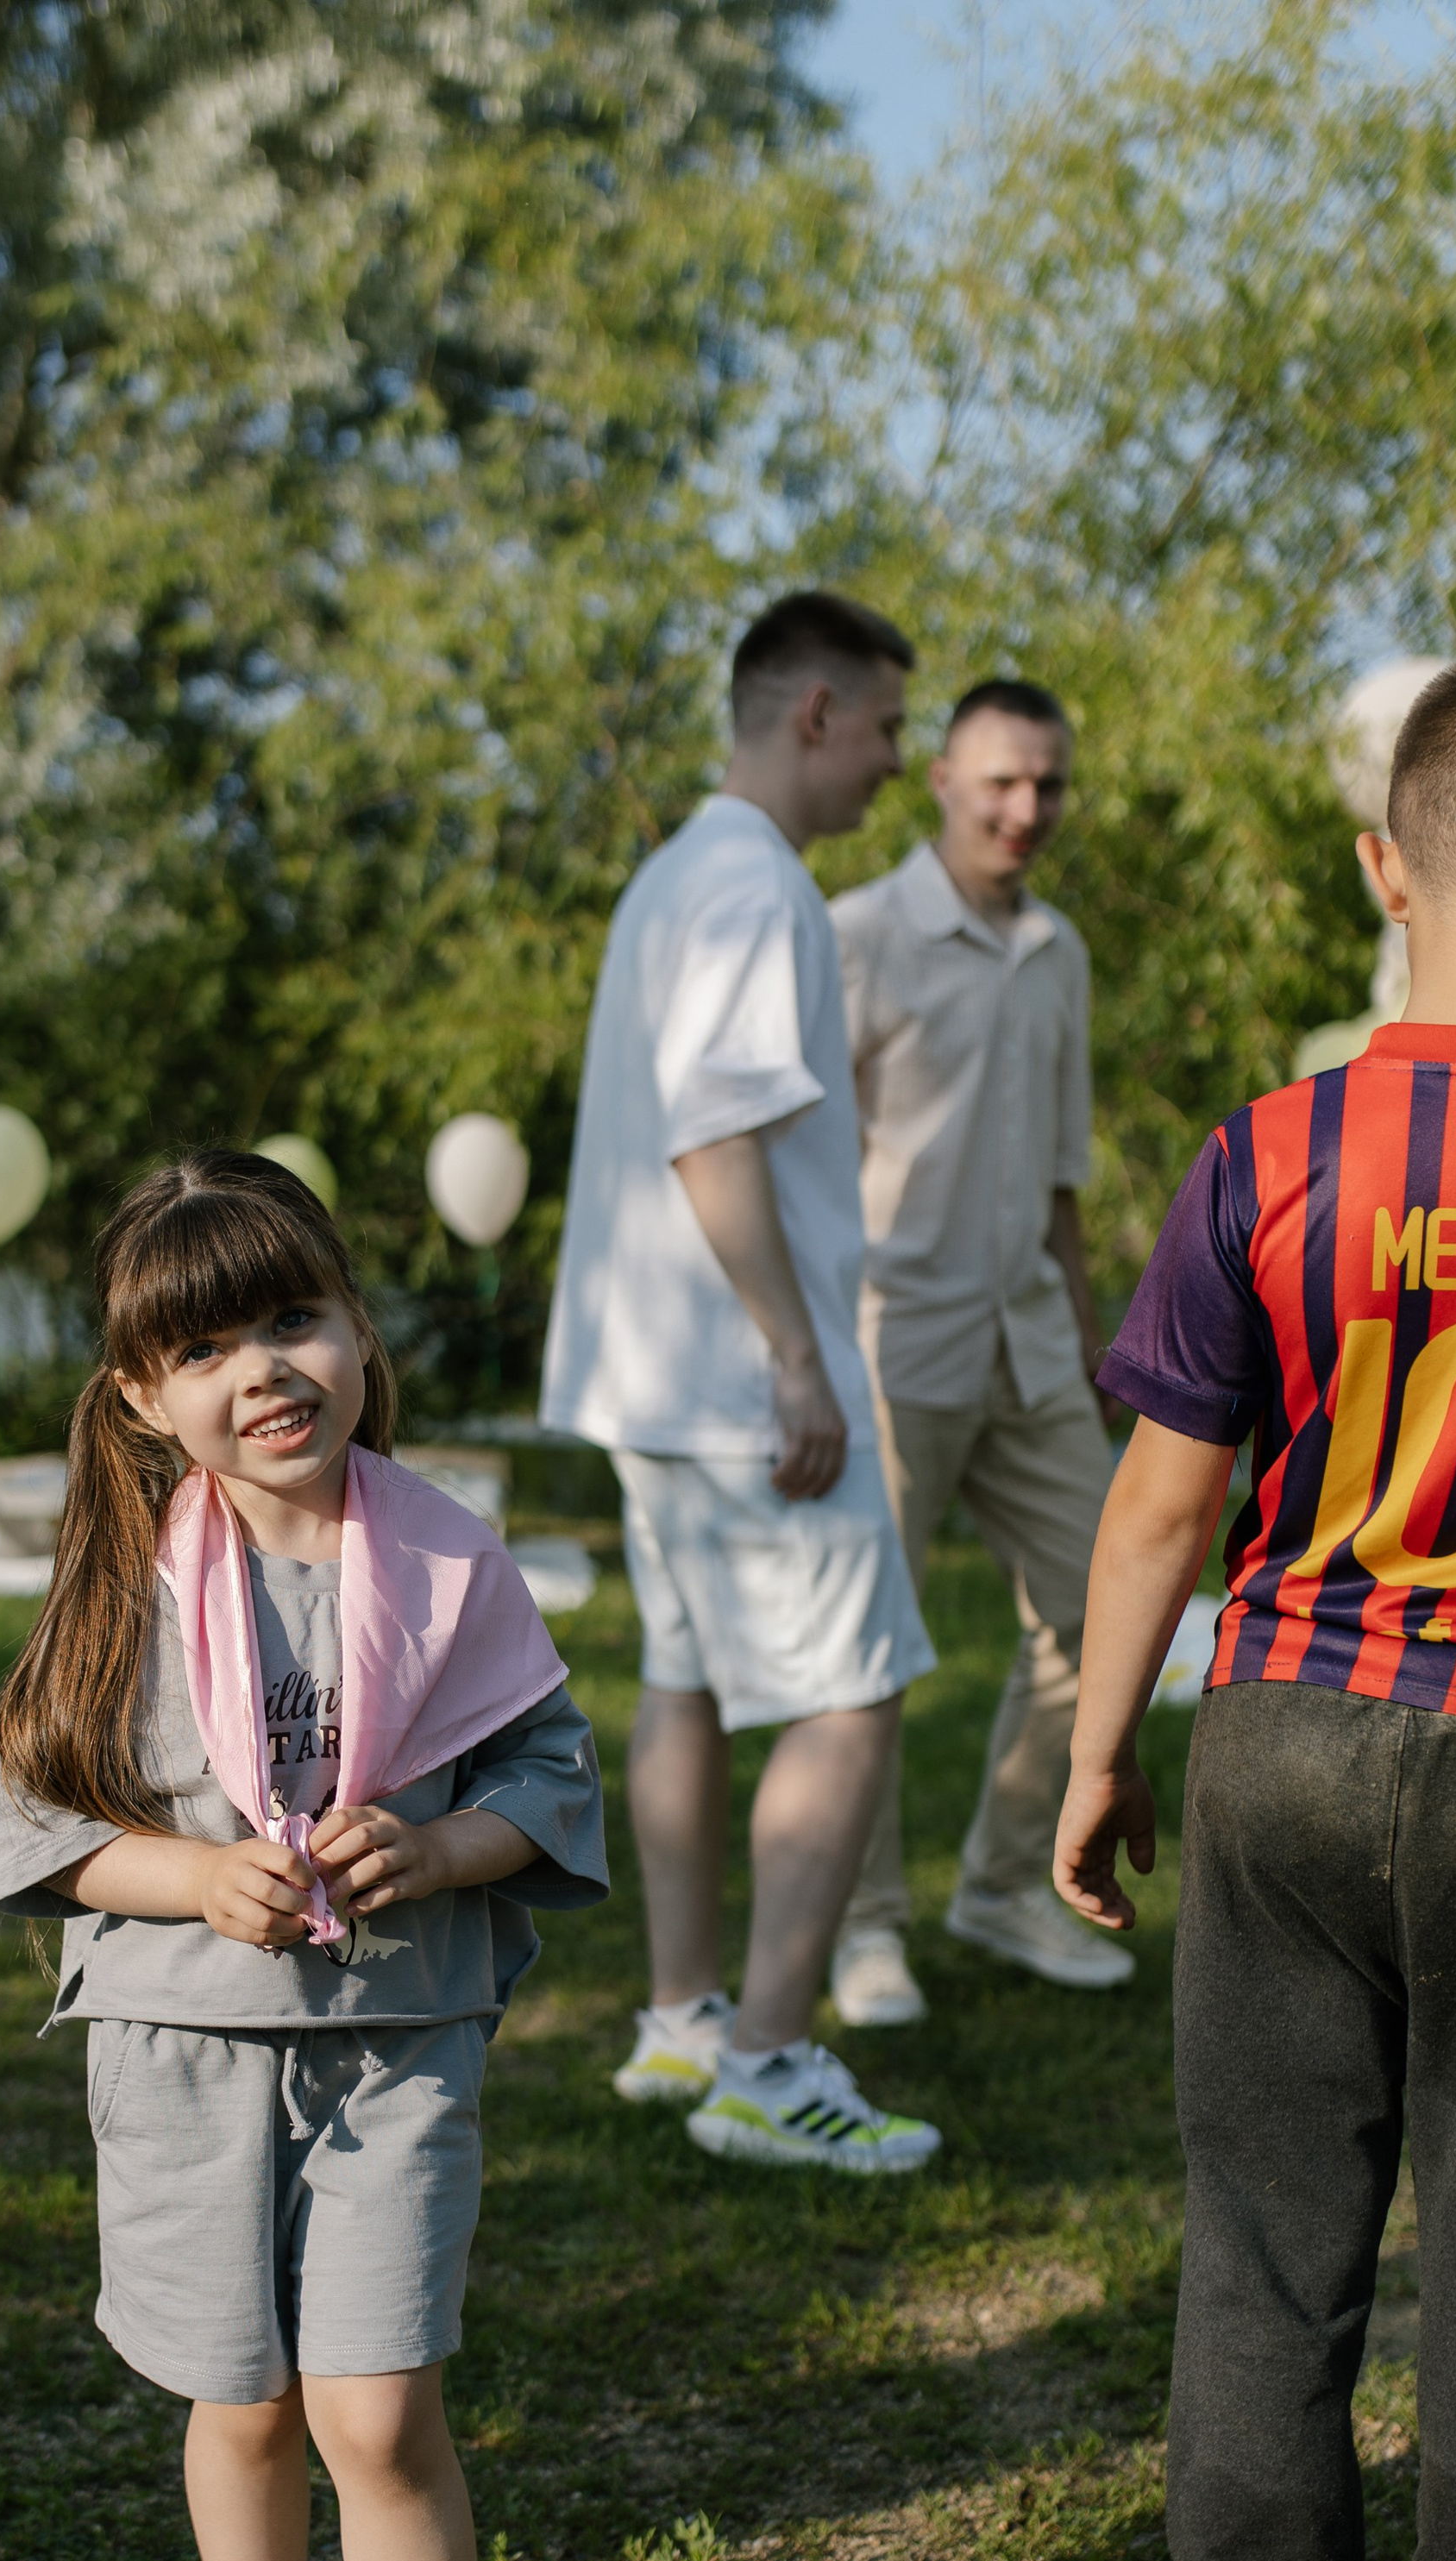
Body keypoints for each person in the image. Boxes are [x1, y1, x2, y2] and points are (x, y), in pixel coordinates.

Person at [1057, 643, 1456, 2561]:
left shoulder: (1275, 1153)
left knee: (1266, 2247)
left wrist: (1097, 1756)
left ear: (1384, 871)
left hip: (1269, 1737)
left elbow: (1164, 1495)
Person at [0, 1152, 607, 2561]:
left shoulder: (440, 1558)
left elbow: (547, 1777)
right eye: (206, 1349)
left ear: (352, 1333)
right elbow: (44, 1823)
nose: (261, 1370)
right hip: (181, 2046)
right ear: (143, 1397)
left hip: (394, 2037)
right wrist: (191, 1875)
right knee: (237, 2397)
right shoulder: (118, 1583)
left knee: (375, 2405)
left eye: (292, 1319)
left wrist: (442, 1845)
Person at [540, 591, 940, 2172]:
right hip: (733, 1377)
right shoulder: (755, 885)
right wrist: (796, 1355)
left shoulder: (673, 878)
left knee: (691, 1683)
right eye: (894, 729)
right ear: (818, 713)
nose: (897, 766)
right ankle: (770, 2063)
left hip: (655, 1377)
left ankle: (684, 2020)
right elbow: (713, 1133)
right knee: (854, 1692)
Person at [828, 677, 1128, 2030]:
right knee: (865, 1650)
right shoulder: (860, 937)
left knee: (1104, 1607)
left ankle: (1006, 1886)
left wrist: (1087, 1327)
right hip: (889, 1344)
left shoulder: (1059, 948)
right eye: (1002, 780)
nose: (1027, 808)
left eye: (1049, 786)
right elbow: (804, 1166)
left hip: (1031, 1342)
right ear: (941, 777)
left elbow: (1061, 1174)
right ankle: (860, 1926)